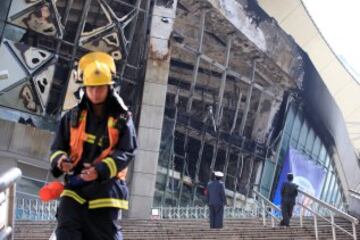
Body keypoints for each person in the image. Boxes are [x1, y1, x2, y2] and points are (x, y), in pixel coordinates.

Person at [49, 51, 137, 240]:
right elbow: (57, 148)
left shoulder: (122, 119)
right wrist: (61, 161)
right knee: (66, 226)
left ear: (109, 87)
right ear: (85, 88)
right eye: (91, 88)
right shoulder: (72, 116)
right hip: (76, 187)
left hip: (106, 190)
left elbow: (127, 151)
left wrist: (100, 170)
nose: (95, 93)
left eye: (100, 88)